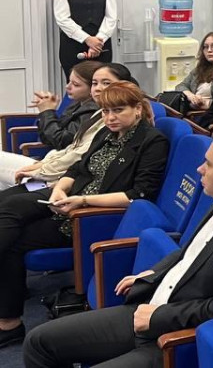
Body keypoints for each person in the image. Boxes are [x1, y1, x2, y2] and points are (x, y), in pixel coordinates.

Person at [22, 128, 213, 367]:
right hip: (150, 307)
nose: (200, 169)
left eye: (209, 164)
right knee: (38, 342)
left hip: (176, 336)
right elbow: (189, 253)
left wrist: (158, 316)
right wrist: (153, 274)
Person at [1, 80, 169, 342]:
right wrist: (60, 189)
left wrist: (82, 201)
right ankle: (9, 322)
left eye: (118, 111)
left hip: (90, 215)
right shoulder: (106, 134)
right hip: (68, 196)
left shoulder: (152, 141)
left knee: (13, 239)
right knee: (9, 209)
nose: (110, 118)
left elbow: (139, 194)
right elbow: (78, 168)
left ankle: (9, 324)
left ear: (138, 109)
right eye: (106, 111)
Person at [0, 61, 100, 189]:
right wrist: (47, 112)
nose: (68, 87)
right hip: (49, 162)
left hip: (56, 170)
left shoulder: (91, 112)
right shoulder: (77, 104)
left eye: (75, 84)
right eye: (69, 82)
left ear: (92, 89)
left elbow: (61, 142)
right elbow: (46, 138)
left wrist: (47, 112)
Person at [175, 31, 213, 111]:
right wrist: (191, 96)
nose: (209, 50)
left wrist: (206, 103)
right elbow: (180, 86)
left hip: (210, 113)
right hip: (190, 109)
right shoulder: (200, 68)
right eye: (206, 47)